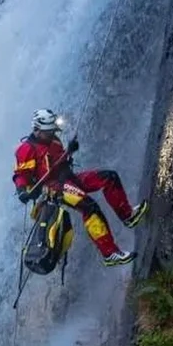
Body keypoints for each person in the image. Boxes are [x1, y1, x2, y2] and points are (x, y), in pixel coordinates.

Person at [12, 108, 149, 267]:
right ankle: (110, 253)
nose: (52, 134)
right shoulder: (26, 149)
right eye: (48, 132)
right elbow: (21, 175)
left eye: (53, 131)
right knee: (89, 207)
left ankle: (128, 216)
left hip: (69, 178)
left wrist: (70, 151)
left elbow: (61, 160)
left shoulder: (54, 140)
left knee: (109, 177)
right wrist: (22, 191)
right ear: (37, 130)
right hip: (55, 188)